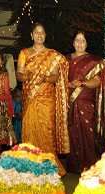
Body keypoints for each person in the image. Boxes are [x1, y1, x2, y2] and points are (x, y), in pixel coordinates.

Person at [17, 23, 70, 175]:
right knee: (30, 129)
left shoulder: (53, 55)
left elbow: (54, 77)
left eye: (42, 33)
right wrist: (26, 76)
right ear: (32, 35)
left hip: (47, 99)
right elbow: (19, 74)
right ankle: (29, 166)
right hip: (30, 98)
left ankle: (49, 167)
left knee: (47, 131)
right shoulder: (24, 53)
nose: (39, 35)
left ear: (45, 36)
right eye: (36, 32)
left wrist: (45, 77)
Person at [67, 31, 105, 173]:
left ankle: (91, 166)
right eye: (77, 40)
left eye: (83, 40)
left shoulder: (93, 61)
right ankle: (75, 166)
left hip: (86, 102)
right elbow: (60, 81)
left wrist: (82, 83)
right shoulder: (65, 61)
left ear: (87, 43)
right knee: (72, 133)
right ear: (73, 43)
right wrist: (69, 85)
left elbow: (97, 81)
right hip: (70, 103)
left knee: (89, 134)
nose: (80, 43)